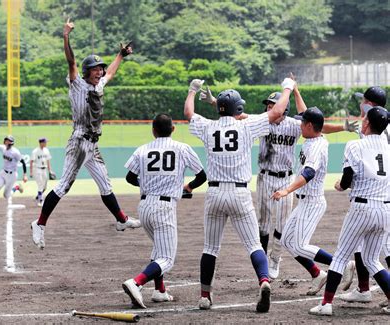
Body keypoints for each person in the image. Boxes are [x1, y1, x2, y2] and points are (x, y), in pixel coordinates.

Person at [185, 77, 295, 313]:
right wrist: (287, 87)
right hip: (239, 193)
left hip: (214, 193)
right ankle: (264, 281)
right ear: (239, 109)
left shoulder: (208, 126)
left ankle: (205, 296)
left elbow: (189, 113)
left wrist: (192, 91)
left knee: (210, 248)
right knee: (254, 244)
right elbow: (276, 112)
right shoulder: (246, 126)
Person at [30, 18, 140, 250]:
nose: (100, 71)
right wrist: (66, 36)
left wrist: (121, 55)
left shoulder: (99, 85)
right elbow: (70, 61)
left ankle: (121, 220)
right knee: (63, 186)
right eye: (95, 68)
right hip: (79, 142)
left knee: (105, 184)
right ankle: (39, 224)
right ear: (87, 71)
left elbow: (110, 73)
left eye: (100, 68)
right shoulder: (77, 84)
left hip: (92, 145)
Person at [309, 106, 390, 316]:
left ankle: (326, 304)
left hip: (362, 208)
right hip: (385, 209)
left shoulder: (355, 145)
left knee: (341, 257)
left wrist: (340, 185)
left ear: (367, 124)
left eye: (364, 119)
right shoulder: (388, 147)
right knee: (372, 260)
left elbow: (346, 180)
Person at [122, 114, 206, 308]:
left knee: (159, 249)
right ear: (173, 129)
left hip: (144, 206)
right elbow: (202, 176)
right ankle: (137, 282)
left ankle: (160, 291)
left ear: (153, 130)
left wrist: (145, 183)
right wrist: (190, 187)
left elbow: (129, 177)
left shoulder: (142, 150)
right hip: (164, 207)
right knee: (167, 259)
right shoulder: (182, 148)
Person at [271, 107, 354, 296]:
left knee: (300, 245)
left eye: (302, 122)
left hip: (312, 202)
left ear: (310, 125)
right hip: (304, 202)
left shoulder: (316, 146)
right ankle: (317, 275)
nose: (299, 125)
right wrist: (297, 91)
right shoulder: (315, 136)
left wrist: (286, 190)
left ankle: (342, 264)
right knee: (286, 240)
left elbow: (309, 173)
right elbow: (318, 123)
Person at [339, 87, 390, 307]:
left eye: (365, 101)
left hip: (378, 193)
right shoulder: (381, 123)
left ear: (371, 105)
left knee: (384, 248)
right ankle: (363, 289)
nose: (362, 104)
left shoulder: (370, 128)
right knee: (366, 245)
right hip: (381, 192)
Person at [0, 132, 27, 215]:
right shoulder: (3, 148)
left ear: (11, 143)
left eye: (8, 140)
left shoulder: (15, 152)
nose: (6, 141)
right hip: (3, 173)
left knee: (6, 195)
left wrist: (25, 175)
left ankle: (16, 187)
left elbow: (23, 162)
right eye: (6, 140)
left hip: (12, 175)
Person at [30, 138, 53, 207]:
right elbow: (31, 161)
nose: (46, 143)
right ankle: (40, 201)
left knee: (44, 187)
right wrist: (31, 172)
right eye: (45, 142)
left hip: (44, 169)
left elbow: (48, 161)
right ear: (41, 143)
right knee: (40, 185)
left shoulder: (46, 150)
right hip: (37, 169)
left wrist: (50, 170)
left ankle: (38, 196)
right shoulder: (35, 151)